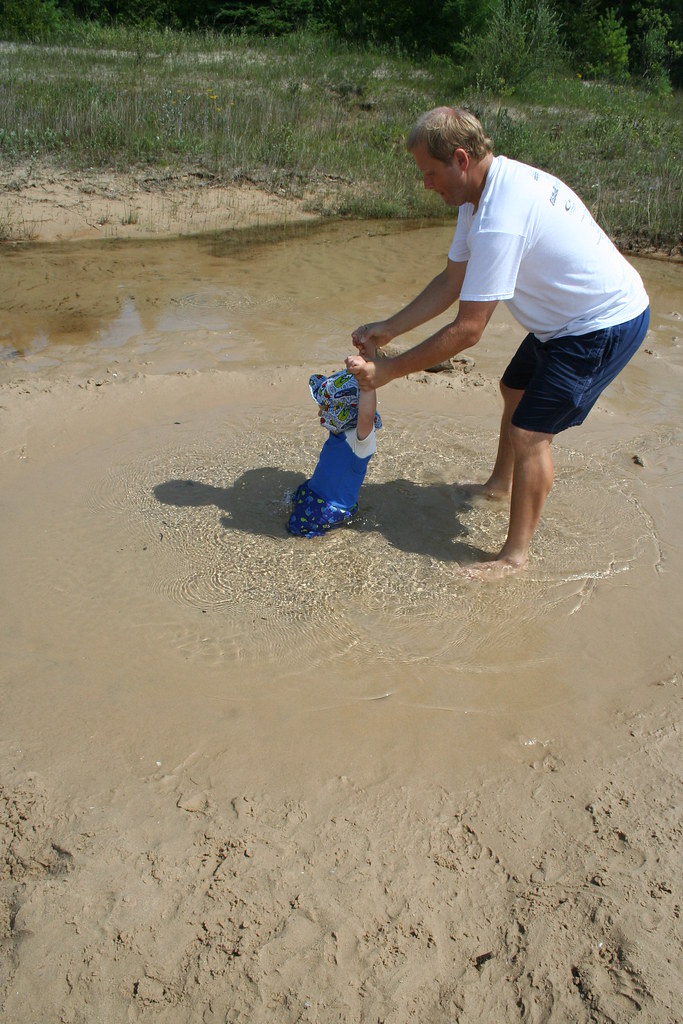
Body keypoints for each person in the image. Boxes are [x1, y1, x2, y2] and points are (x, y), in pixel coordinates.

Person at [346, 105, 650, 578]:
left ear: (461, 159)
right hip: (563, 321)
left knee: (531, 432)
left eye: (429, 173)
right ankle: (500, 485)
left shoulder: (499, 217)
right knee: (514, 390)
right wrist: (390, 328)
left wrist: (388, 370)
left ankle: (514, 557)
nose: (425, 184)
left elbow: (469, 330)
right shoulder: (479, 199)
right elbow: (451, 282)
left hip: (600, 324)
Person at [287, 346, 381, 537]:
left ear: (342, 412)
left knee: (294, 529)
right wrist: (366, 360)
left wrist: (368, 384)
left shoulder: (359, 441)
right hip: (317, 493)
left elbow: (366, 414)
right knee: (297, 494)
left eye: (324, 408)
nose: (320, 413)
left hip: (331, 506)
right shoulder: (341, 430)